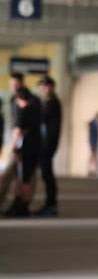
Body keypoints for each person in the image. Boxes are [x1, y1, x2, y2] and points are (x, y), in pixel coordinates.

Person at [5, 84, 43, 217]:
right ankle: (24, 206)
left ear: (19, 99)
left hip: (25, 149)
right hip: (36, 147)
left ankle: (22, 207)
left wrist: (12, 147)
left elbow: (17, 131)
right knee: (27, 177)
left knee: (23, 179)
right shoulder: (36, 109)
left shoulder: (23, 111)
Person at [34, 76, 62, 216]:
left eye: (45, 87)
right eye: (41, 87)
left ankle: (51, 206)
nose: (43, 89)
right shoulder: (49, 102)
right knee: (46, 175)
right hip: (46, 143)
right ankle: (50, 204)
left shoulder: (52, 103)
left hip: (48, 144)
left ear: (51, 87)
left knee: (48, 175)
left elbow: (41, 118)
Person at [0, 73, 25, 210]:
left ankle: (18, 204)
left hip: (17, 144)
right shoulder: (12, 100)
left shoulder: (24, 100)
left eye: (15, 84)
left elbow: (20, 126)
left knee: (9, 176)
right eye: (11, 85)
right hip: (10, 143)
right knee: (12, 176)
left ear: (21, 83)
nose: (12, 87)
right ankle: (16, 203)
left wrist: (15, 145)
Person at [88, 112, 98, 177]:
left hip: (94, 141)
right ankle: (92, 169)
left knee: (94, 155)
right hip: (94, 141)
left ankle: (93, 169)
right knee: (93, 155)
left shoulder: (94, 123)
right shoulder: (94, 123)